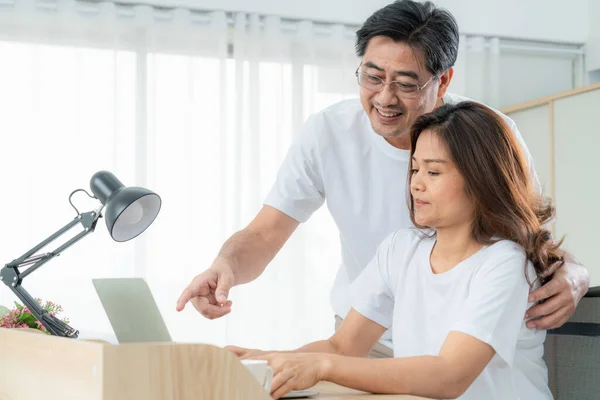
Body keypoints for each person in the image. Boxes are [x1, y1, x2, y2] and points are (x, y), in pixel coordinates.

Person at [176, 0, 589, 357]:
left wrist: (574, 273)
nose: (385, 98)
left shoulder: (486, 134)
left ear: (443, 80)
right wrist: (224, 266)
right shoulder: (331, 135)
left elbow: (531, 234)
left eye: (406, 84)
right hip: (363, 332)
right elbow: (266, 234)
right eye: (372, 77)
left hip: (461, 335)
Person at [230, 101, 557, 399]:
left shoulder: (504, 264)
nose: (416, 183)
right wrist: (262, 361)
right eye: (414, 169)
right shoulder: (401, 250)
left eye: (433, 171)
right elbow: (342, 346)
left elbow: (449, 376)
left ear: (481, 179)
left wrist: (322, 367)